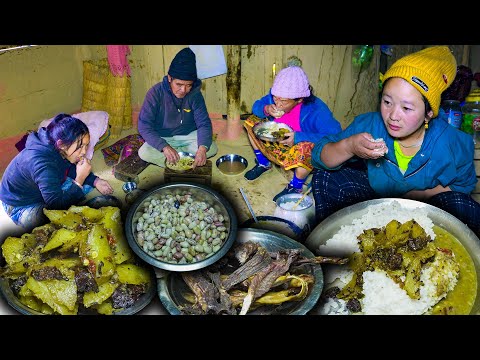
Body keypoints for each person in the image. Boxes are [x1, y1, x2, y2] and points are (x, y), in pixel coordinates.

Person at [311, 46, 480, 236]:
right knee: (326, 177)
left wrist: (421, 195)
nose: (392, 116)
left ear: (429, 113)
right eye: (387, 102)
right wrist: (350, 146)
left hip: (427, 212)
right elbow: (318, 156)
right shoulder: (370, 125)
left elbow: (464, 185)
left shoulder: (453, 143)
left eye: (406, 108)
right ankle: (343, 240)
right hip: (375, 203)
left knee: (464, 207)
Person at [0, 113, 114, 233]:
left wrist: (96, 181)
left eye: (86, 145)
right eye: (80, 147)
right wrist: (80, 179)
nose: (84, 152)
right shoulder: (42, 163)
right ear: (61, 144)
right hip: (19, 205)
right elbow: (56, 206)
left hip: (39, 188)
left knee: (83, 184)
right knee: (55, 222)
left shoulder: (55, 145)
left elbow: (68, 168)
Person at [243, 65, 342, 201]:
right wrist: (266, 108)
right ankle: (263, 163)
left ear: (299, 99)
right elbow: (256, 106)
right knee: (251, 121)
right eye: (275, 97)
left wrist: (298, 137)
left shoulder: (316, 110)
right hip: (275, 141)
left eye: (283, 101)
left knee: (306, 147)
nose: (277, 102)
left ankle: (296, 186)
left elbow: (337, 135)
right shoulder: (276, 96)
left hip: (296, 150)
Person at [137, 47, 217, 169]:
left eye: (188, 85)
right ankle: (184, 158)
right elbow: (144, 126)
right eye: (179, 84)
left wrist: (202, 149)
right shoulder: (155, 93)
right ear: (170, 78)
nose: (184, 90)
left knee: (211, 148)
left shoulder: (195, 94)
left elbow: (204, 123)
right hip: (164, 137)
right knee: (144, 153)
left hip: (189, 136)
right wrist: (164, 146)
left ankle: (178, 158)